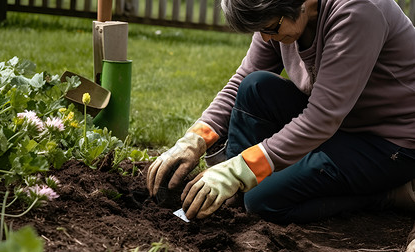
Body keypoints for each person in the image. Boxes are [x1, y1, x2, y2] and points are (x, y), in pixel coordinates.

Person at [147, 0, 415, 223]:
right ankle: (237, 194)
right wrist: (195, 139)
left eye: (271, 27)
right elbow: (244, 78)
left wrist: (239, 170)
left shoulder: (358, 11)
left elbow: (322, 118)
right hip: (342, 123)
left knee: (263, 201)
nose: (266, 38)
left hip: (389, 142)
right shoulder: (279, 14)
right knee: (255, 86)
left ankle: (389, 193)